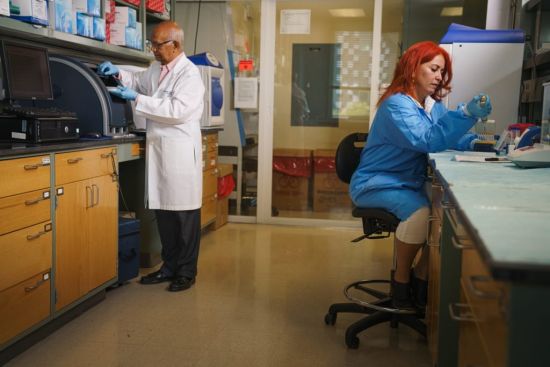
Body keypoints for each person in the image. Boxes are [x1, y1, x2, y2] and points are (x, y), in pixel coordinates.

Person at [349, 41, 492, 310]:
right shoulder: (397, 105)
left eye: (442, 72)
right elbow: (428, 139)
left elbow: (446, 134)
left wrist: (476, 142)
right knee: (419, 213)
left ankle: (422, 277)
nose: (439, 76)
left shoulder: (429, 105)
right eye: (434, 68)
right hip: (376, 182)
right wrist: (465, 113)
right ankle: (402, 287)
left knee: (444, 215)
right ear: (414, 69)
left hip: (407, 182)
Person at [97, 21, 205, 292]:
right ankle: (168, 267)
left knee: (184, 219)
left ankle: (186, 272)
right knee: (165, 216)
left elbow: (177, 110)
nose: (154, 50)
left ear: (176, 45)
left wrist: (137, 99)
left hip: (179, 154)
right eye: (152, 44)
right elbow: (138, 82)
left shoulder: (189, 75)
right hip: (161, 152)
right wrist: (119, 73)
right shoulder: (158, 68)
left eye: (158, 45)